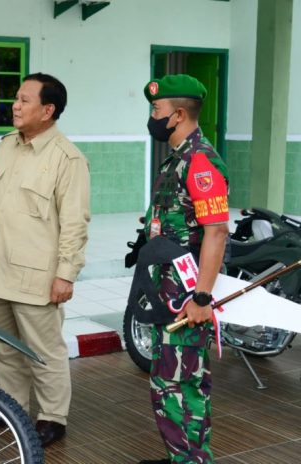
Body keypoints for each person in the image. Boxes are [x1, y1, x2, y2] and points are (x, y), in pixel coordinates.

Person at [0, 72, 90, 447]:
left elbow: (75, 222)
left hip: (38, 276)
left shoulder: (67, 159)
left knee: (44, 352)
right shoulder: (6, 145)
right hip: (0, 269)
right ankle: (12, 410)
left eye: (25, 100)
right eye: (16, 98)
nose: (16, 105)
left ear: (48, 110)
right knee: (5, 350)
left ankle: (53, 417)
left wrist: (66, 275)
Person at [139, 74, 230, 464]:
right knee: (184, 382)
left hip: (187, 296)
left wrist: (202, 298)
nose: (152, 116)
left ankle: (189, 460)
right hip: (170, 291)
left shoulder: (200, 161)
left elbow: (216, 232)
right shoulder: (179, 157)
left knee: (172, 383)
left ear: (177, 114)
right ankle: (188, 458)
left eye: (156, 110)